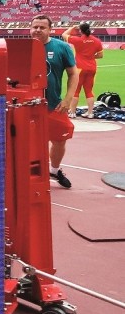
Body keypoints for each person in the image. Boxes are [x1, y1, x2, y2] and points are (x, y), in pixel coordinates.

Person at [29, 15, 79, 189]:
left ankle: (54, 170)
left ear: (50, 30)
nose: (38, 30)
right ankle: (28, 175)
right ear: (30, 28)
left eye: (42, 27)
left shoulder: (62, 47)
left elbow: (73, 73)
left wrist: (68, 99)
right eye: (35, 27)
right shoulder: (22, 48)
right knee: (27, 142)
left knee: (60, 139)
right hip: (27, 106)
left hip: (53, 104)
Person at [62, 22, 104, 118]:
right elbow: (100, 55)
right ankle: (90, 113)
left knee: (76, 90)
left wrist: (72, 27)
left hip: (80, 68)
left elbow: (64, 35)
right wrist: (90, 56)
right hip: (92, 67)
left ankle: (72, 112)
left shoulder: (78, 40)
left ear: (80, 30)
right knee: (89, 91)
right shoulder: (96, 40)